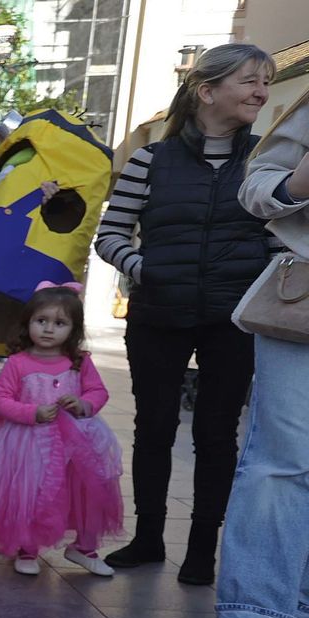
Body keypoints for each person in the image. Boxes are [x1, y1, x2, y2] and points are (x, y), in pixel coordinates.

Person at [93, 43, 277, 585]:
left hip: (232, 320)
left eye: (265, 81)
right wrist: (146, 269)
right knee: (153, 429)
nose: (261, 92)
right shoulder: (151, 159)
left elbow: (276, 242)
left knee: (218, 436)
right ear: (207, 91)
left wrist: (260, 293)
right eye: (249, 81)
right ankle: (148, 538)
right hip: (157, 314)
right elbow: (110, 235)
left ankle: (202, 552)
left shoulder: (267, 162)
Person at [216, 86, 309, 618]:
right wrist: (296, 185)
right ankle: (257, 616)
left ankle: (294, 612)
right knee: (283, 456)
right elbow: (259, 181)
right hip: (303, 304)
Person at [0, 284, 122, 576]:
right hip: (28, 444)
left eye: (59, 323)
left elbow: (98, 392)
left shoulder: (80, 361)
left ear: (74, 328)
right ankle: (27, 548)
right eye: (41, 321)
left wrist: (82, 404)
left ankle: (83, 547)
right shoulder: (18, 363)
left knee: (86, 493)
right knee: (32, 495)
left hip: (77, 445)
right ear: (28, 322)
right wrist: (32, 412)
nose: (48, 330)